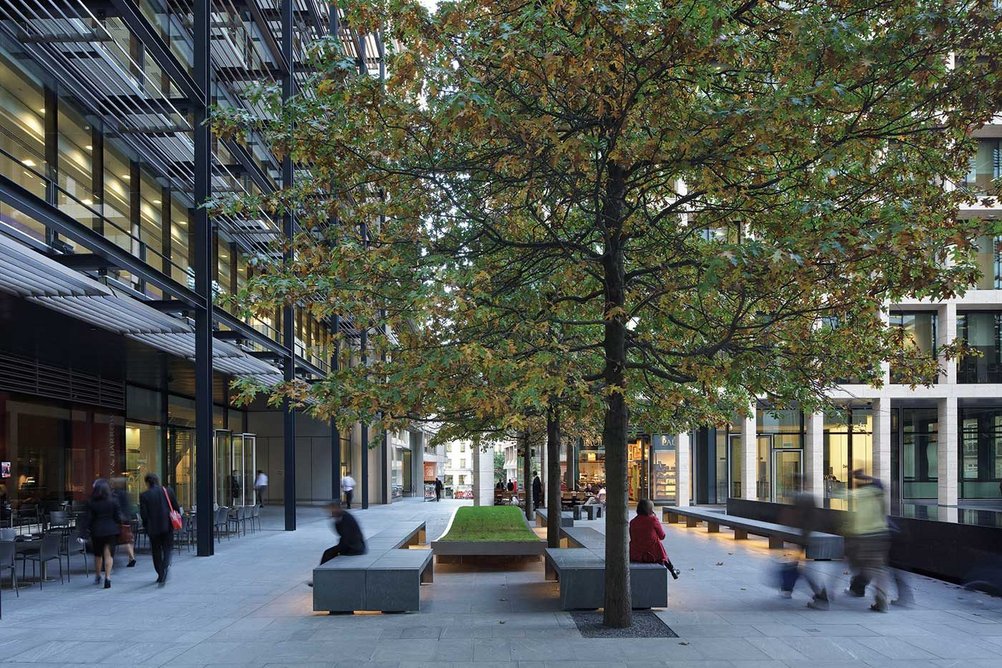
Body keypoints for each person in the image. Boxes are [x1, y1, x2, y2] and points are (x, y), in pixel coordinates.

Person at [844, 471, 891, 612]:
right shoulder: (879, 493)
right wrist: (866, 477)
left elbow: (844, 495)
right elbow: (880, 483)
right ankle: (881, 598)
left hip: (865, 535)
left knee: (866, 566)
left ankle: (859, 588)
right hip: (881, 533)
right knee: (878, 568)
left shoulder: (862, 495)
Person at [307, 500, 366, 586]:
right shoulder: (341, 516)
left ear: (337, 508)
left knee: (328, 554)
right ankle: (320, 578)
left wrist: (340, 550)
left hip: (354, 547)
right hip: (350, 544)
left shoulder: (345, 518)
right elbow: (341, 534)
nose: (330, 512)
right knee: (328, 553)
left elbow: (346, 537)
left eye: (331, 510)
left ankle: (320, 580)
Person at [80, 478, 123, 589]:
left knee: (98, 555)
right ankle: (107, 578)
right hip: (111, 530)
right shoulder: (113, 501)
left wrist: (83, 533)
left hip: (97, 531)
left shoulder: (91, 502)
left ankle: (98, 575)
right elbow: (118, 517)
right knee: (109, 555)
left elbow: (87, 519)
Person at [139, 473, 181, 587]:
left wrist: (146, 526)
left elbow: (144, 514)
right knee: (167, 548)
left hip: (153, 528)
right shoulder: (168, 491)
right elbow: (176, 507)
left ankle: (160, 573)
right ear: (157, 481)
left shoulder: (144, 495)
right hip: (167, 525)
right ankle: (165, 566)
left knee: (156, 551)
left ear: (147, 483)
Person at [629, 499, 679, 579]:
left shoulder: (633, 522)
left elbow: (632, 537)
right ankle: (672, 569)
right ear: (650, 509)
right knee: (657, 543)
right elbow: (662, 536)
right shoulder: (653, 520)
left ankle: (673, 569)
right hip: (653, 555)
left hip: (635, 554)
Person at [110, 477, 136, 568]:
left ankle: (132, 558)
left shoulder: (115, 494)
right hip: (127, 518)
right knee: (128, 538)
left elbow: (115, 507)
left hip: (120, 520)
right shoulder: (125, 493)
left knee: (124, 539)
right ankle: (131, 558)